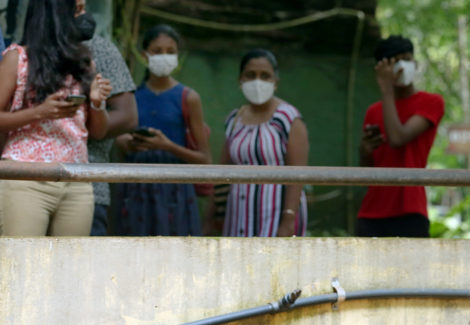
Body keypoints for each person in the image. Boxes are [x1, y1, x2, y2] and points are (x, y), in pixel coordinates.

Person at [0, 0, 112, 237]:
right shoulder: (17, 58)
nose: (84, 17)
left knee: (70, 267)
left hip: (77, 180)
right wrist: (39, 112)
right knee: (25, 264)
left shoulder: (84, 62)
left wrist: (97, 103)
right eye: (78, 10)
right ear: (57, 14)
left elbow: (99, 132)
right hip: (26, 178)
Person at [114, 25, 210, 236]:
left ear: (178, 57)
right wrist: (127, 143)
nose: (164, 57)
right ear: (144, 55)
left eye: (170, 52)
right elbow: (118, 144)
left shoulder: (188, 97)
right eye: (157, 51)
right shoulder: (131, 96)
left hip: (175, 190)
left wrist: (166, 146)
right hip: (136, 188)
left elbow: (204, 159)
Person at [357, 35, 444, 237]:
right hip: (371, 213)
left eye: (407, 59)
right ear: (382, 69)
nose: (403, 66)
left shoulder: (431, 102)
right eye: (395, 62)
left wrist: (386, 90)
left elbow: (398, 138)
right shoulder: (373, 111)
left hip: (410, 210)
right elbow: (367, 173)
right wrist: (365, 151)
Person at [219, 49, 309, 237]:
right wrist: (213, 216)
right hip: (238, 216)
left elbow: (298, 174)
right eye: (250, 75)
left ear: (275, 82)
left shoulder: (288, 118)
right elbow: (222, 172)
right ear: (240, 80)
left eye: (265, 76)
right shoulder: (234, 120)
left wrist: (288, 219)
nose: (257, 81)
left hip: (275, 216)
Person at [75, 0, 138, 236]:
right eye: (76, 7)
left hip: (89, 185)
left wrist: (76, 125)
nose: (83, 11)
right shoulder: (24, 53)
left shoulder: (100, 50)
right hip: (30, 185)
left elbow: (128, 116)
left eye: (83, 6)